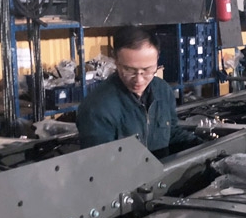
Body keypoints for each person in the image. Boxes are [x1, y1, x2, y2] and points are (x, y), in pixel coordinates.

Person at [77, 26, 200, 157]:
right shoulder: (96, 108)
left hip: (162, 174)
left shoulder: (163, 91)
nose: (139, 80)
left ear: (157, 59)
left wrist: (203, 147)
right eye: (129, 70)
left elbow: (171, 133)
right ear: (116, 61)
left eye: (147, 70)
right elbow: (101, 164)